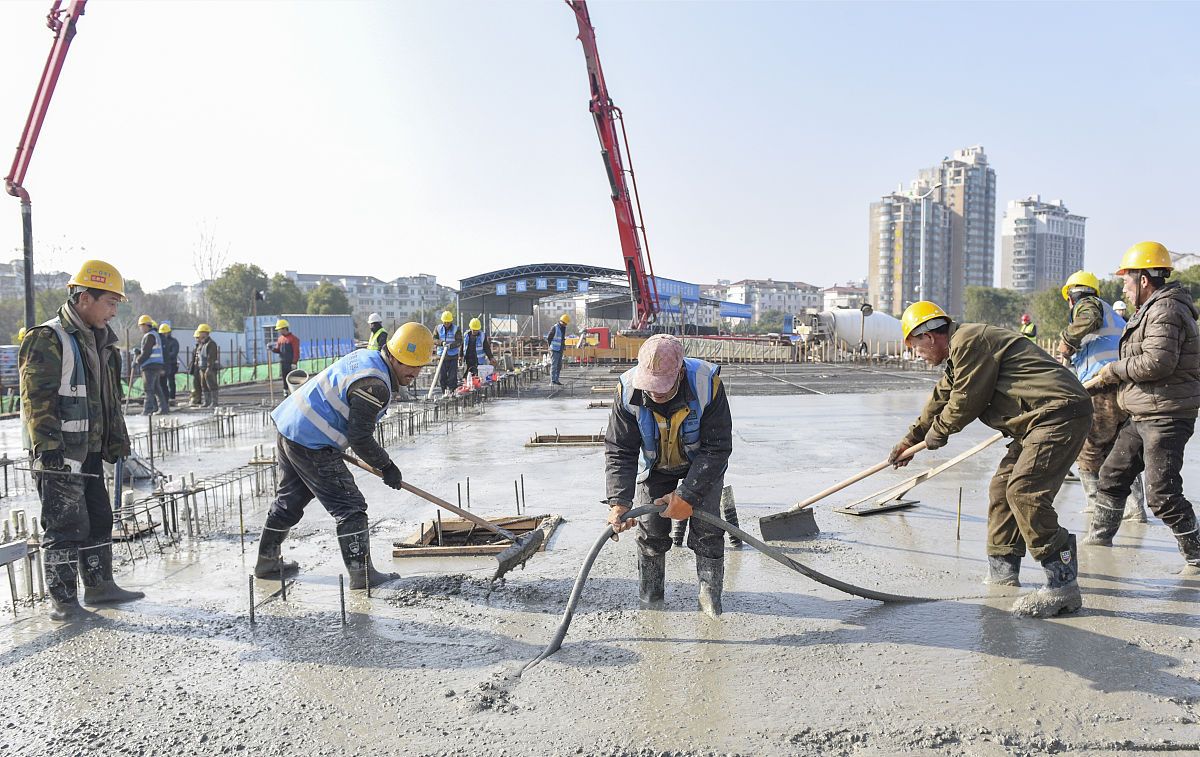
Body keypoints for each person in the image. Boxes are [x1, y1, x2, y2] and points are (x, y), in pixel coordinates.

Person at [890, 301, 1092, 618]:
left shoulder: (970, 340)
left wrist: (938, 433)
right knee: (1001, 489)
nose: (918, 355)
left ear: (928, 337)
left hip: (1058, 414)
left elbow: (967, 399)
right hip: (1033, 423)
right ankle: (1003, 572)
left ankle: (1063, 586)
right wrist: (912, 438)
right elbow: (942, 395)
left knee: (1024, 491)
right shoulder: (959, 353)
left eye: (916, 347)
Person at [253, 322, 435, 590]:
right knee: (350, 507)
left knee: (290, 500)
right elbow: (360, 438)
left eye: (420, 366)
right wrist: (387, 466)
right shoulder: (375, 385)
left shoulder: (369, 357)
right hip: (311, 440)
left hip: (292, 426)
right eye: (409, 365)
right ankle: (362, 576)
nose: (415, 372)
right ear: (393, 356)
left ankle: (267, 562)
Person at [20, 259, 140, 620]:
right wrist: (49, 449)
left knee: (99, 519)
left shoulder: (100, 342)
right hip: (60, 454)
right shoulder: (48, 337)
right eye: (110, 303)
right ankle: (64, 603)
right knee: (64, 526)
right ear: (84, 298)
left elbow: (108, 400)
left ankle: (100, 586)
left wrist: (116, 442)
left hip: (88, 450)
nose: (114, 311)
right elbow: (36, 400)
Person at [1088, 241, 1200, 575]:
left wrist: (1114, 371)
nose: (1124, 286)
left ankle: (1197, 556)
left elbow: (1157, 363)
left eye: (1126, 280)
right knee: (1111, 475)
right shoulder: (1152, 308)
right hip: (1144, 412)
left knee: (1162, 494)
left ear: (1145, 280)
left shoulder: (1166, 310)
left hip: (1166, 415)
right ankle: (1097, 545)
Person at [605, 334, 733, 616]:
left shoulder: (706, 383)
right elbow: (620, 451)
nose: (656, 394)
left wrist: (687, 496)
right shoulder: (627, 391)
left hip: (700, 463)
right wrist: (619, 502)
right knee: (650, 532)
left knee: (708, 532)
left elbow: (717, 447)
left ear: (681, 372)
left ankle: (710, 605)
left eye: (662, 387)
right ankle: (652, 603)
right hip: (654, 465)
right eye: (650, 387)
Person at [1054, 272, 1147, 523]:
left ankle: (1097, 507)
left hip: (1101, 385)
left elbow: (1088, 319)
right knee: (1121, 448)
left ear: (1073, 294)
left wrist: (1066, 341)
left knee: (1090, 446)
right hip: (1122, 383)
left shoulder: (1088, 304)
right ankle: (1134, 508)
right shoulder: (1113, 314)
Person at [134, 315, 168, 415]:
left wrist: (137, 360)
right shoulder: (154, 335)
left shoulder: (149, 336)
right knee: (157, 388)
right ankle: (163, 409)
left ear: (145, 325)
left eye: (141, 326)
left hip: (150, 366)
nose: (140, 328)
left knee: (148, 389)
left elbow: (147, 352)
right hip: (156, 365)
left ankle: (147, 410)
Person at [189, 324, 221, 407]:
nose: (199, 334)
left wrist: (209, 368)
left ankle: (214, 402)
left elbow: (211, 357)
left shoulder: (211, 344)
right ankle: (207, 401)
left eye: (201, 332)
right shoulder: (202, 344)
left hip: (209, 368)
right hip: (202, 368)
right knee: (204, 385)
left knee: (212, 385)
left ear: (206, 333)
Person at [434, 311, 462, 397]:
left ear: (451, 321)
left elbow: (459, 341)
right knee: (442, 377)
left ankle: (452, 392)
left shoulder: (456, 329)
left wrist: (451, 346)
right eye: (445, 321)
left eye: (448, 322)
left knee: (452, 376)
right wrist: (441, 343)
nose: (446, 323)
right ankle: (444, 392)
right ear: (442, 321)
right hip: (441, 356)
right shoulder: (438, 328)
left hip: (452, 356)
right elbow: (434, 339)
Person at [271, 319, 300, 396]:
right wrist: (272, 349)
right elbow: (278, 350)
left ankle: (294, 392)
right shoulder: (280, 339)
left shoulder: (294, 339)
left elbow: (296, 352)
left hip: (290, 362)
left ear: (284, 328)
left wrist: (294, 362)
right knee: (284, 377)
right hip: (282, 362)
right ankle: (285, 391)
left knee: (292, 378)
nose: (279, 331)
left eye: (280, 329)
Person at [461, 318, 496, 382]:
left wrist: (491, 357)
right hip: (468, 360)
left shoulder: (482, 336)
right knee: (467, 377)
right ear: (470, 328)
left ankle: (477, 389)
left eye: (476, 330)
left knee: (478, 377)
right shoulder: (466, 335)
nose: (475, 331)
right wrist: (460, 356)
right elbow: (462, 346)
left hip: (478, 361)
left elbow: (486, 348)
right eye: (473, 330)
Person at [157, 322, 180, 406]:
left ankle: (172, 397)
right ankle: (165, 399)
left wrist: (165, 355)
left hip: (172, 364)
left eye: (165, 333)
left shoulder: (173, 342)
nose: (164, 334)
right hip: (164, 364)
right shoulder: (161, 341)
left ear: (169, 332)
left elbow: (174, 353)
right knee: (163, 383)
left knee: (171, 381)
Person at [546, 313, 569, 386]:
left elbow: (562, 339)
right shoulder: (555, 328)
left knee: (559, 366)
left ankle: (556, 380)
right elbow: (549, 338)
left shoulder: (563, 328)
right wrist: (551, 346)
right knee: (554, 365)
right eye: (565, 324)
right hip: (554, 349)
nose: (566, 325)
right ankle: (552, 380)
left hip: (560, 349)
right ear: (562, 322)